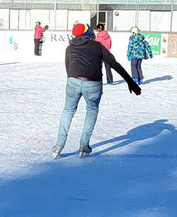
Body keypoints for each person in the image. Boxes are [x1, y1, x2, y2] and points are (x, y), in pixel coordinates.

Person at [52, 23, 142, 159]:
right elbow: (114, 63)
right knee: (92, 110)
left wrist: (74, 80)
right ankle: (84, 144)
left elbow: (68, 68)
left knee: (68, 110)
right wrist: (130, 81)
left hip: (73, 81)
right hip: (93, 83)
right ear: (87, 34)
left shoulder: (69, 48)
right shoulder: (97, 46)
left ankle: (59, 145)